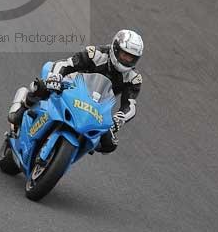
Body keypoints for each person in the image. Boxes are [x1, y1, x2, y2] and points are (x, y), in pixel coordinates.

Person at [7, 30, 144, 153]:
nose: (127, 59)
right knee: (43, 87)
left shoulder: (133, 78)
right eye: (124, 54)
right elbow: (66, 64)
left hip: (96, 107)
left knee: (108, 144)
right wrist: (55, 78)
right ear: (115, 48)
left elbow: (130, 105)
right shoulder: (95, 54)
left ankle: (71, 152)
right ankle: (24, 105)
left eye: (131, 57)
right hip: (71, 86)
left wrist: (119, 119)